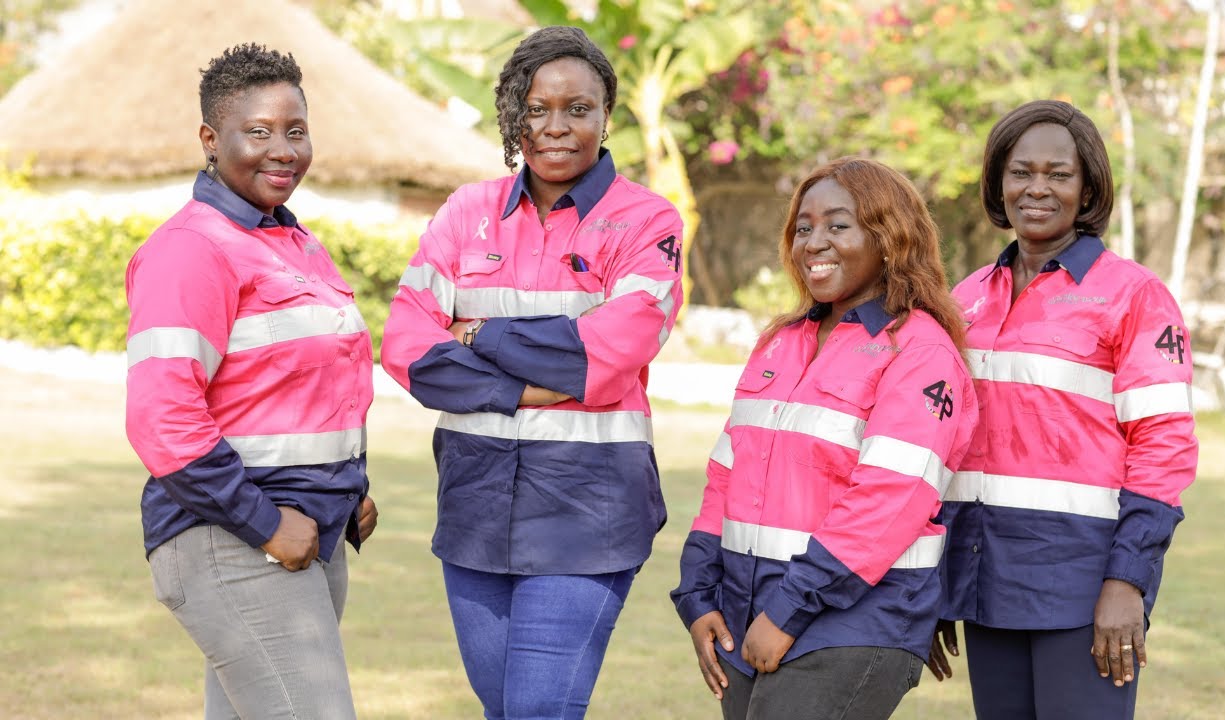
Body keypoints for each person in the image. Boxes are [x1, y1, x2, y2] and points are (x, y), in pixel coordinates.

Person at [380, 26, 683, 719]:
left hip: (589, 515)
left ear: (608, 115)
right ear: (513, 113)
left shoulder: (646, 221)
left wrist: (476, 332)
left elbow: (608, 351)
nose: (556, 126)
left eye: (578, 108)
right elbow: (405, 345)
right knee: (503, 709)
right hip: (475, 508)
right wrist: (525, 385)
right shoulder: (466, 212)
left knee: (538, 710)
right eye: (537, 108)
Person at [670, 157, 977, 719]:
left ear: (888, 238)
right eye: (804, 228)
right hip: (745, 615)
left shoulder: (920, 352)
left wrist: (788, 610)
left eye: (838, 225)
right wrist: (697, 593)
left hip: (852, 621)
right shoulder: (780, 344)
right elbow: (726, 479)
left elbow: (887, 501)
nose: (814, 242)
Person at [124, 43, 378, 719]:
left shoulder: (297, 245)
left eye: (296, 131)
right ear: (211, 139)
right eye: (258, 132)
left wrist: (351, 484)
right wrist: (264, 524)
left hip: (310, 532)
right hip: (234, 537)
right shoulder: (191, 250)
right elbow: (161, 418)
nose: (282, 150)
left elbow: (319, 381)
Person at [927, 100, 1199, 719]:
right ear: (999, 181)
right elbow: (942, 442)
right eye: (1021, 172)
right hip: (982, 576)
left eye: (1059, 174)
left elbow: (1163, 448)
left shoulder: (1134, 296)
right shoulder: (965, 297)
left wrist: (1126, 582)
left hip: (1083, 583)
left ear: (1088, 187)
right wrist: (935, 583)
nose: (1038, 189)